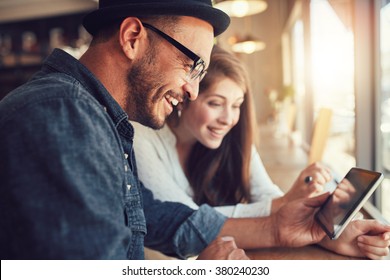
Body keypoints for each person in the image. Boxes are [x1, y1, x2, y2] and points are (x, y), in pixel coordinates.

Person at [1, 0, 389, 260]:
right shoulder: (61, 115)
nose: (192, 90)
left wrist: (279, 228)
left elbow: (156, 217)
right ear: (133, 38)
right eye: (191, 66)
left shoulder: (98, 118)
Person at [132, 45, 390, 259]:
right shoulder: (142, 138)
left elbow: (265, 194)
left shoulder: (230, 137)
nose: (228, 119)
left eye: (236, 106)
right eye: (215, 103)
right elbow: (187, 221)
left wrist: (325, 237)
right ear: (186, 95)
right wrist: (284, 206)